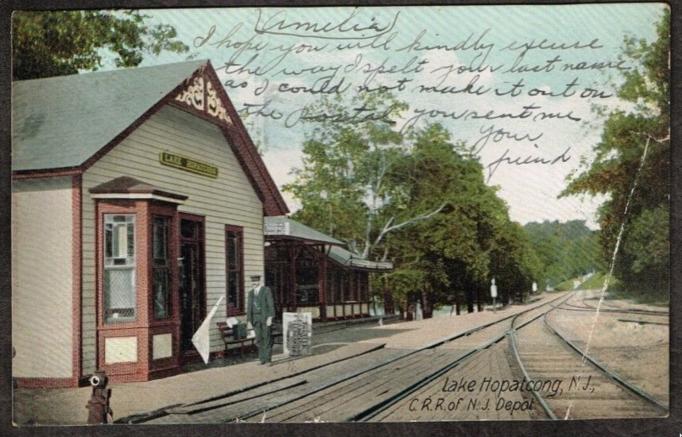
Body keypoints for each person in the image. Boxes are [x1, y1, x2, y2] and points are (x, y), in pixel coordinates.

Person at [246, 275, 275, 364]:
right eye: (252, 282)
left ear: (259, 282)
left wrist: (270, 317)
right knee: (258, 339)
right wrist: (249, 321)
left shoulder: (266, 290)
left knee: (266, 338)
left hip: (265, 318)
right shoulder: (251, 293)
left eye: (255, 281)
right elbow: (249, 308)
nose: (253, 283)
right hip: (255, 319)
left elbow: (270, 304)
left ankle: (268, 360)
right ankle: (262, 359)